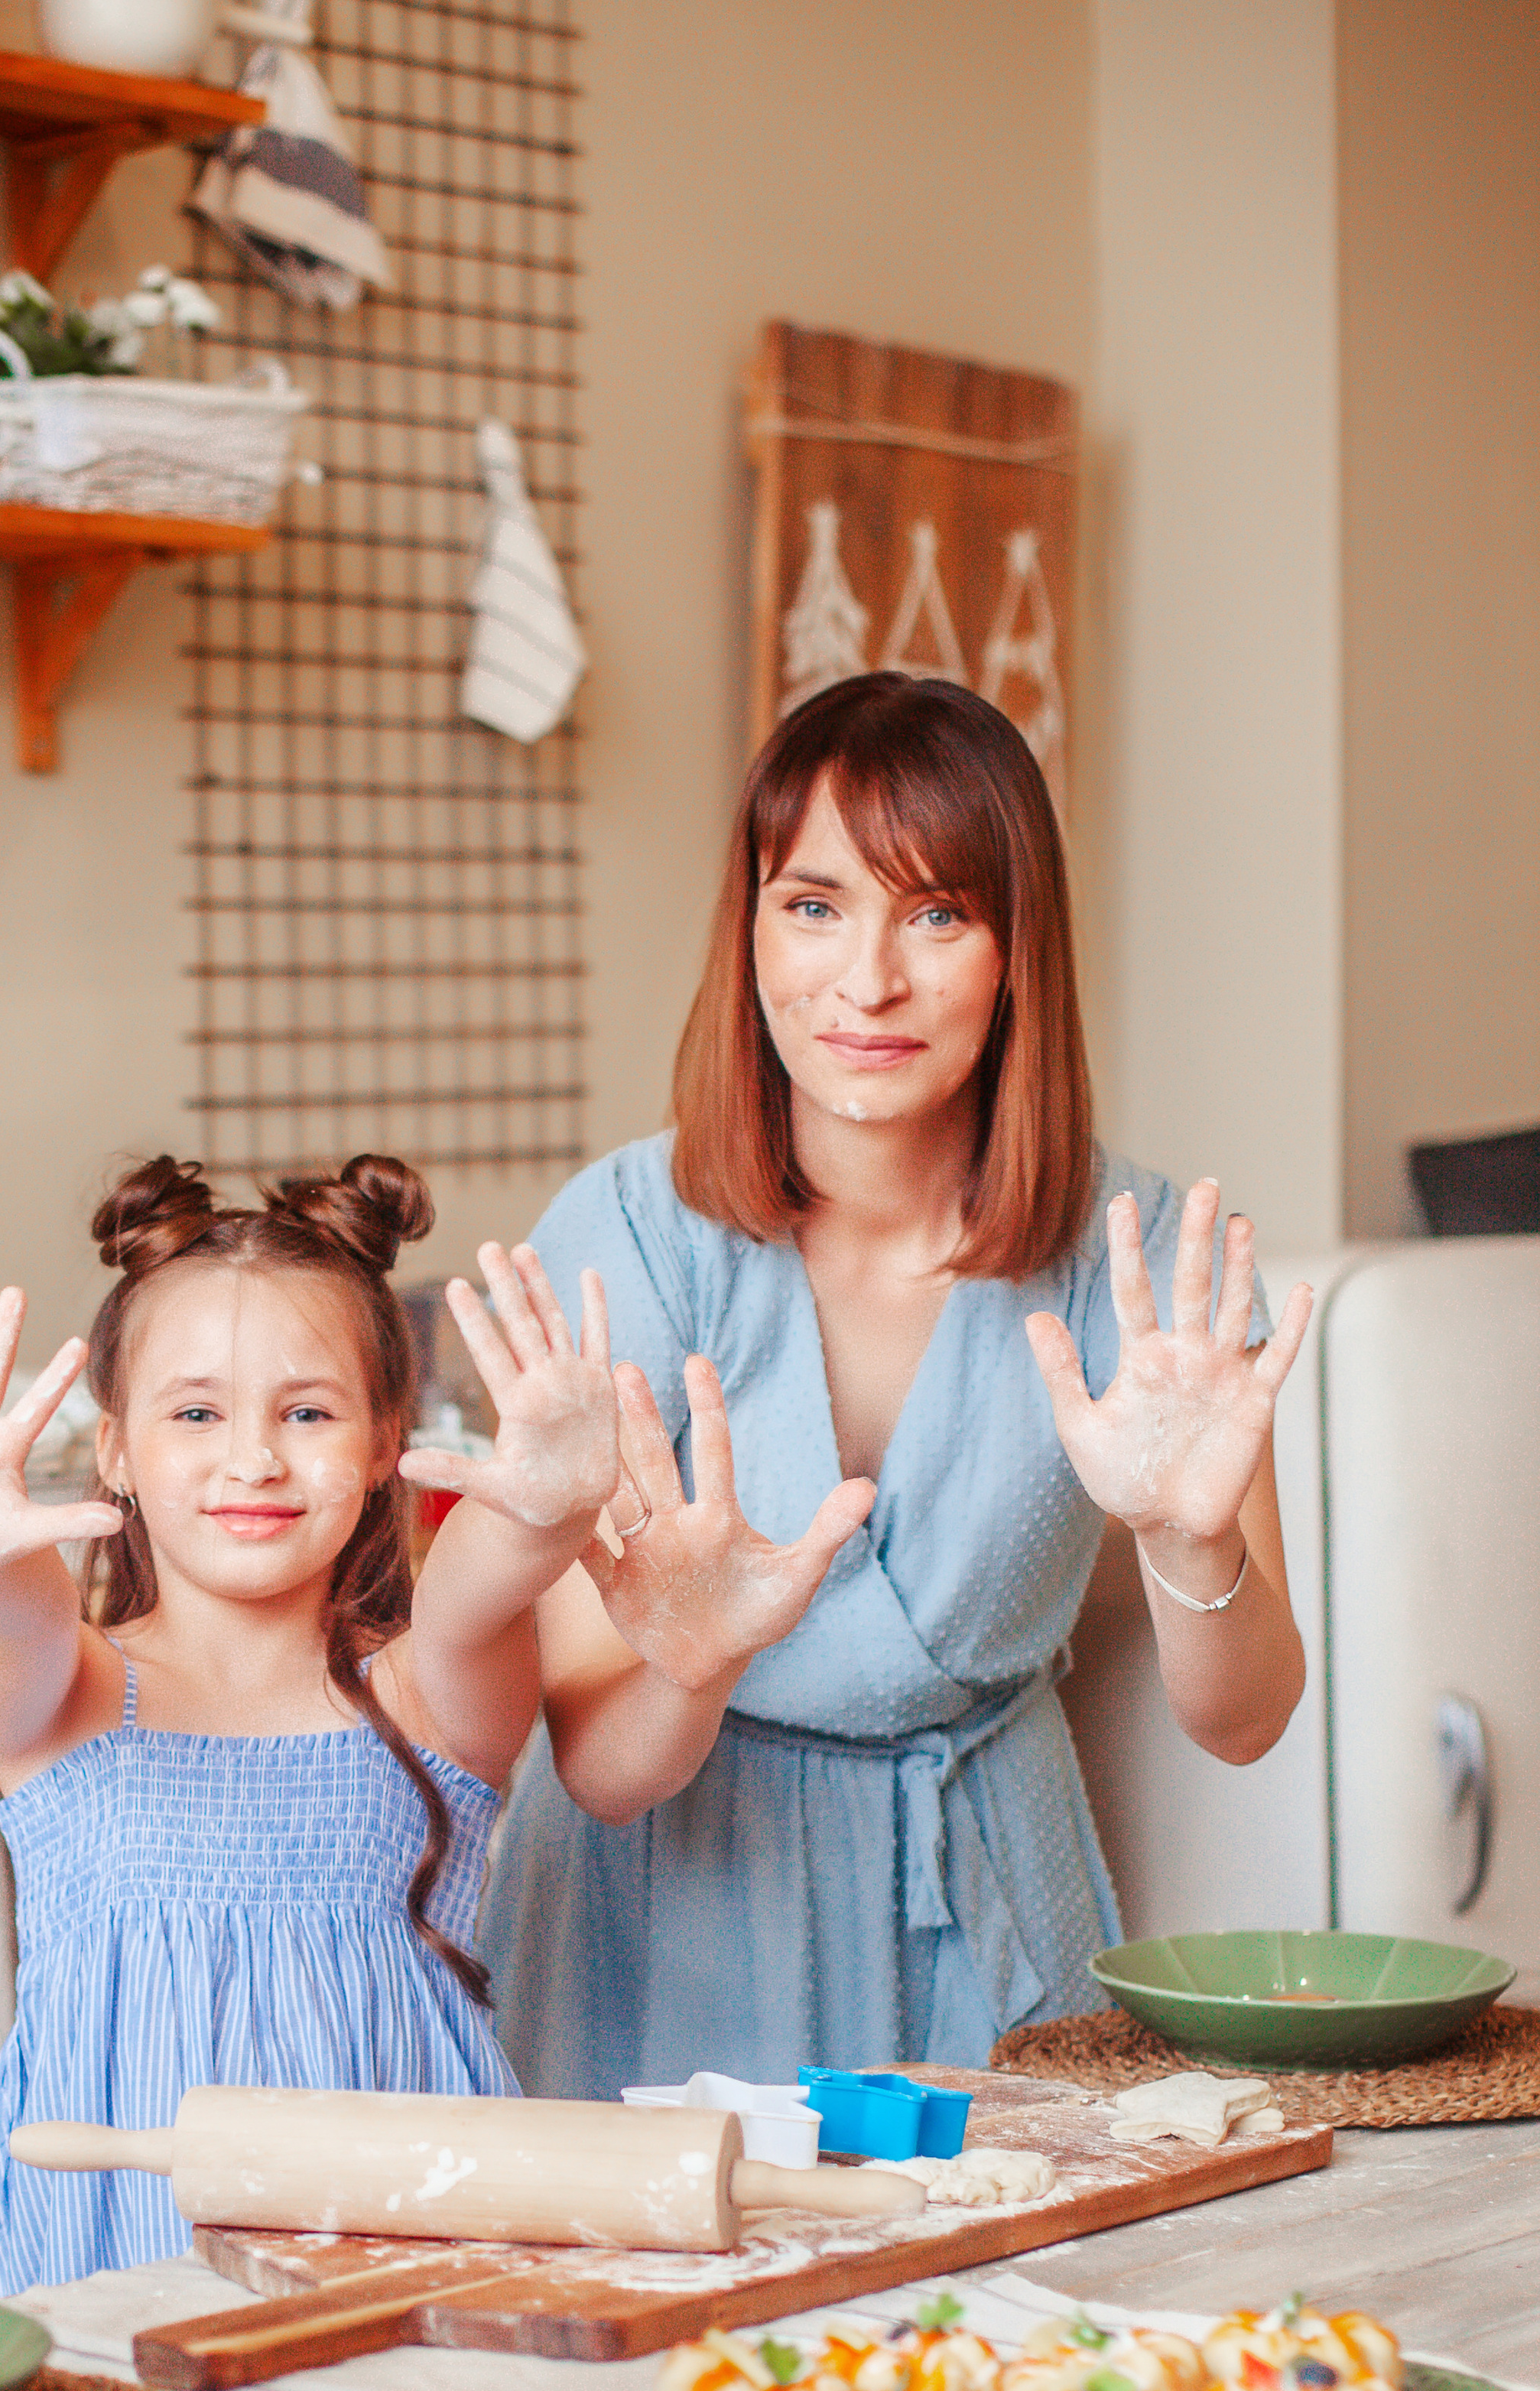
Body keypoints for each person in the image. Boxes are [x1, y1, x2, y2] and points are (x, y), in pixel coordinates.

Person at [481, 674, 1312, 2099]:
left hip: (993, 1900)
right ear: (749, 929)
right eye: (813, 906)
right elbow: (606, 1771)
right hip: (670, 1919)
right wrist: (695, 1658)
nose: (866, 981)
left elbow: (1244, 1722)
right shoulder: (616, 1247)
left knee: (1022, 2316)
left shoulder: (1144, 1261)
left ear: (1015, 953)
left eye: (935, 915)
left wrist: (1190, 1540)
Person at [0, 1154, 616, 2297]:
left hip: (397, 2264)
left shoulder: (429, 1696)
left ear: (379, 1442)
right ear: (115, 1449)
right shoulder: (69, 1696)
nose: (253, 1458)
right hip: (101, 2250)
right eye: (196, 1412)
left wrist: (546, 1507)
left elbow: (477, 1586)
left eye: (307, 1412)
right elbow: (18, 1612)